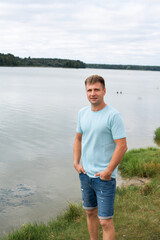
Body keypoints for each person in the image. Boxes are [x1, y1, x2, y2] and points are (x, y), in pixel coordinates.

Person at [73, 75, 127, 240]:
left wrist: (108, 171)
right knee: (90, 212)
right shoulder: (82, 113)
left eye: (96, 89)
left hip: (104, 177)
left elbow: (122, 146)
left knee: (105, 221)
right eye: (89, 90)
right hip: (85, 175)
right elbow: (78, 139)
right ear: (86, 92)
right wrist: (76, 163)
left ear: (104, 91)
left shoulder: (113, 115)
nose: (93, 93)